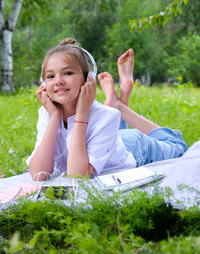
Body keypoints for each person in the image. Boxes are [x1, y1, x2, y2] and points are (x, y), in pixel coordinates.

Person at [27, 38, 187, 181]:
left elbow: (77, 175)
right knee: (110, 123)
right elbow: (39, 175)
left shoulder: (105, 116)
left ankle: (120, 106)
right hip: (111, 140)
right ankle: (118, 100)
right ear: (43, 85)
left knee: (178, 146)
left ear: (88, 79)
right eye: (50, 76)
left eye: (68, 73)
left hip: (133, 146)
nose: (58, 81)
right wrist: (55, 117)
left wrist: (81, 113)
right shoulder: (47, 113)